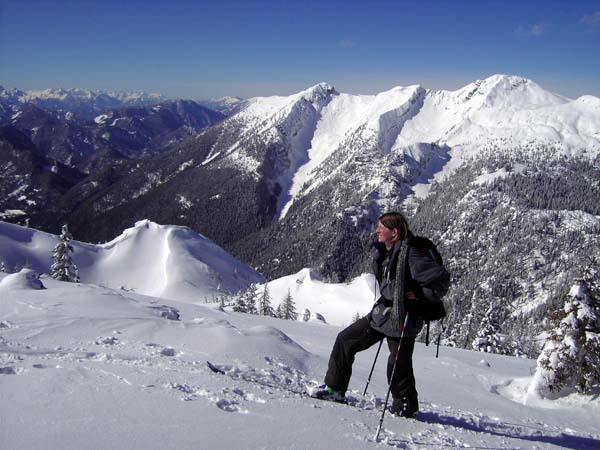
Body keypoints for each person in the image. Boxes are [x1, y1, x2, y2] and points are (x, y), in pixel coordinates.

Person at [310, 212, 450, 417]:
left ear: (394, 232)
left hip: (404, 317)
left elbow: (441, 279)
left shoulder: (411, 253)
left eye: (381, 228)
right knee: (346, 340)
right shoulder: (388, 251)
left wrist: (418, 295)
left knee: (397, 365)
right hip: (383, 313)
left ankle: (405, 406)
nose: (377, 230)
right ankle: (335, 389)